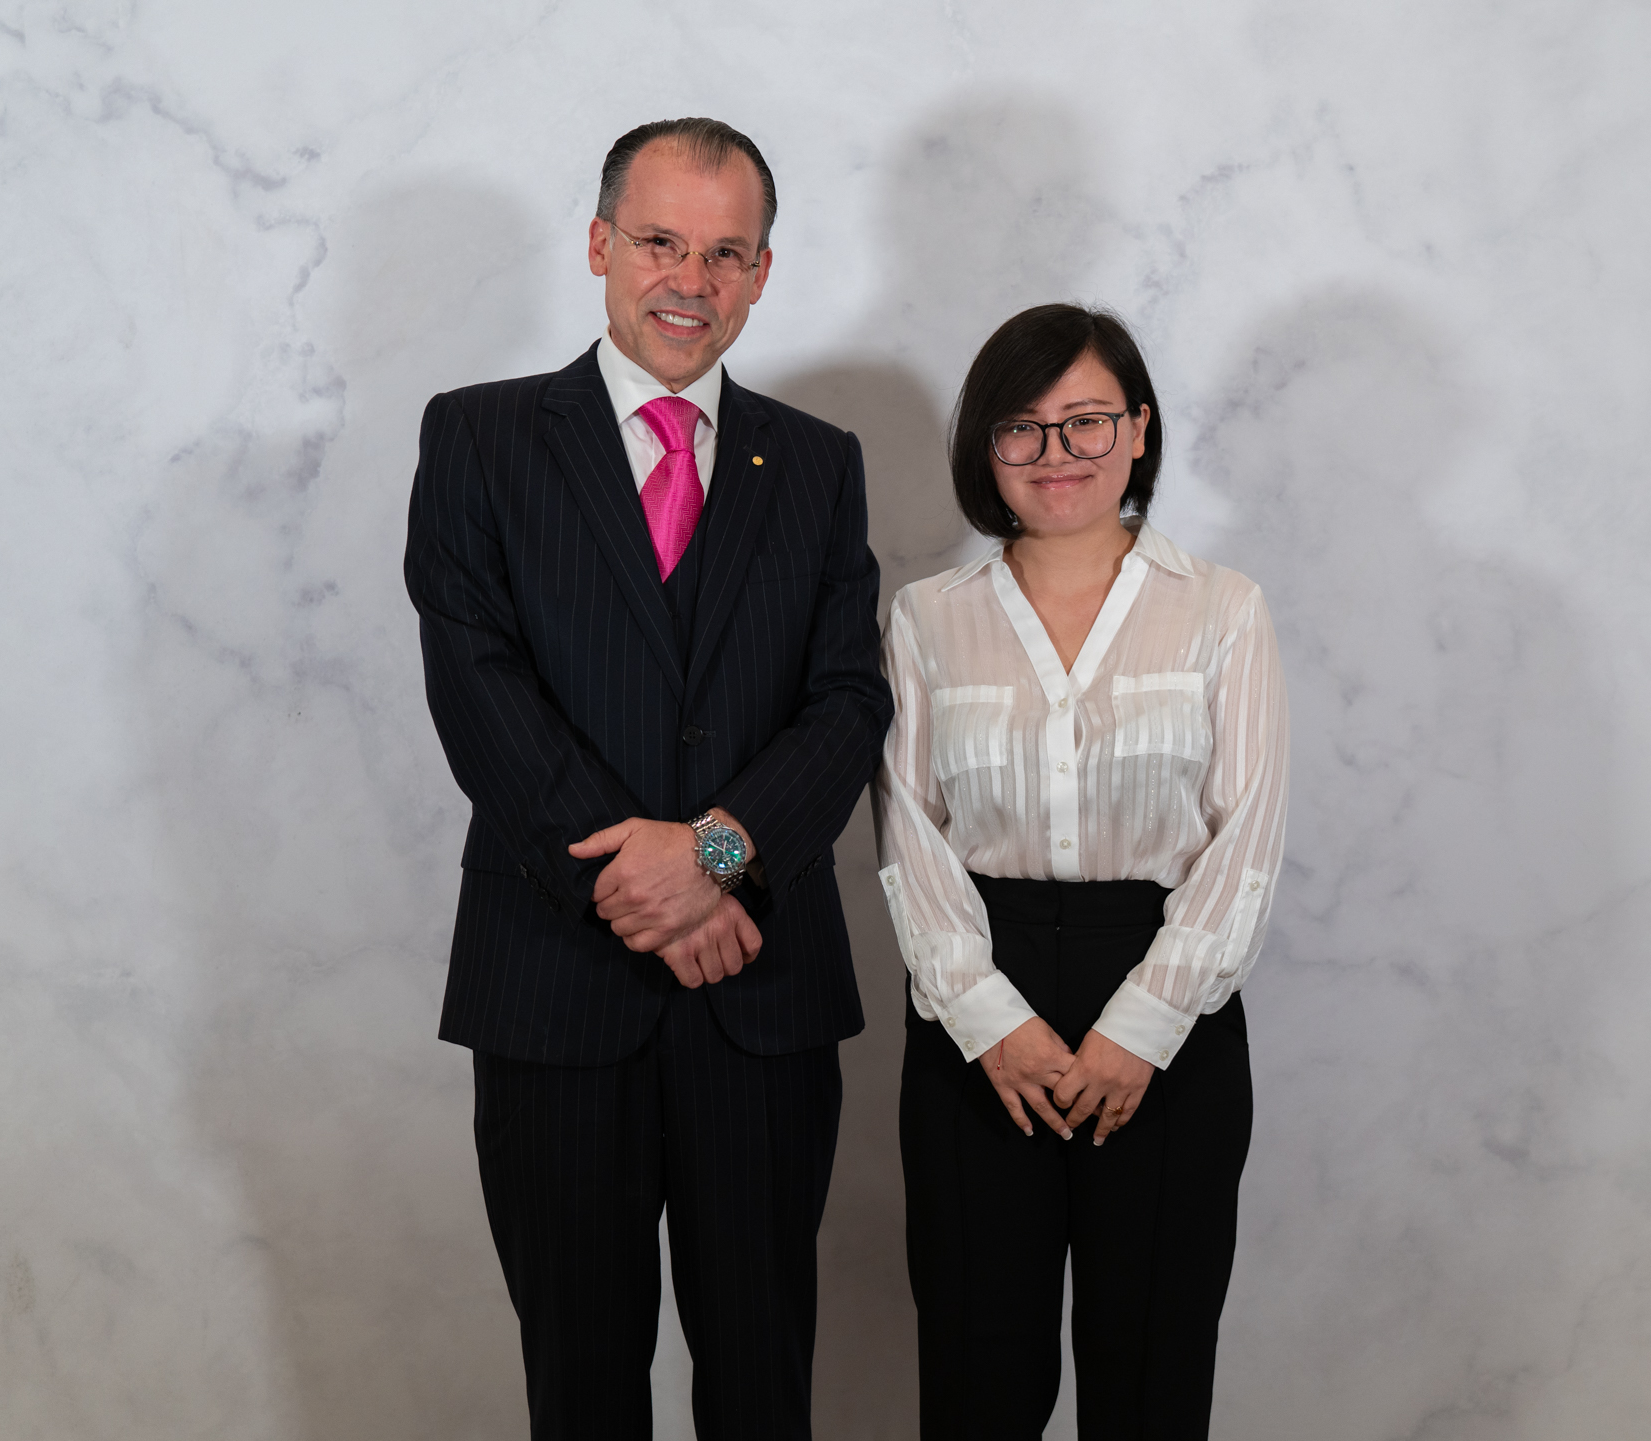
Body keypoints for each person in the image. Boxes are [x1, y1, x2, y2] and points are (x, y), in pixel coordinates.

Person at [403, 118, 890, 1440]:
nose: (692, 279)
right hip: (555, 988)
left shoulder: (819, 463)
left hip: (762, 997)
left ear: (764, 272)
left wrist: (716, 856)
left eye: (727, 253)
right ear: (600, 244)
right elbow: (477, 684)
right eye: (663, 241)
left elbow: (850, 701)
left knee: (762, 1385)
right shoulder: (480, 437)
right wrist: (645, 886)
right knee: (580, 1387)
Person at [873, 303, 1289, 1439]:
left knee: (1151, 1374)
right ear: (986, 446)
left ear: (1139, 430)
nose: (1056, 453)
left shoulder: (1223, 609)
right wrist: (988, 1020)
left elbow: (1246, 840)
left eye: (1088, 420)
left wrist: (1141, 1029)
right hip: (976, 1018)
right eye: (1023, 426)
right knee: (978, 1374)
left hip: (1168, 1009)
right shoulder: (926, 618)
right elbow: (907, 835)